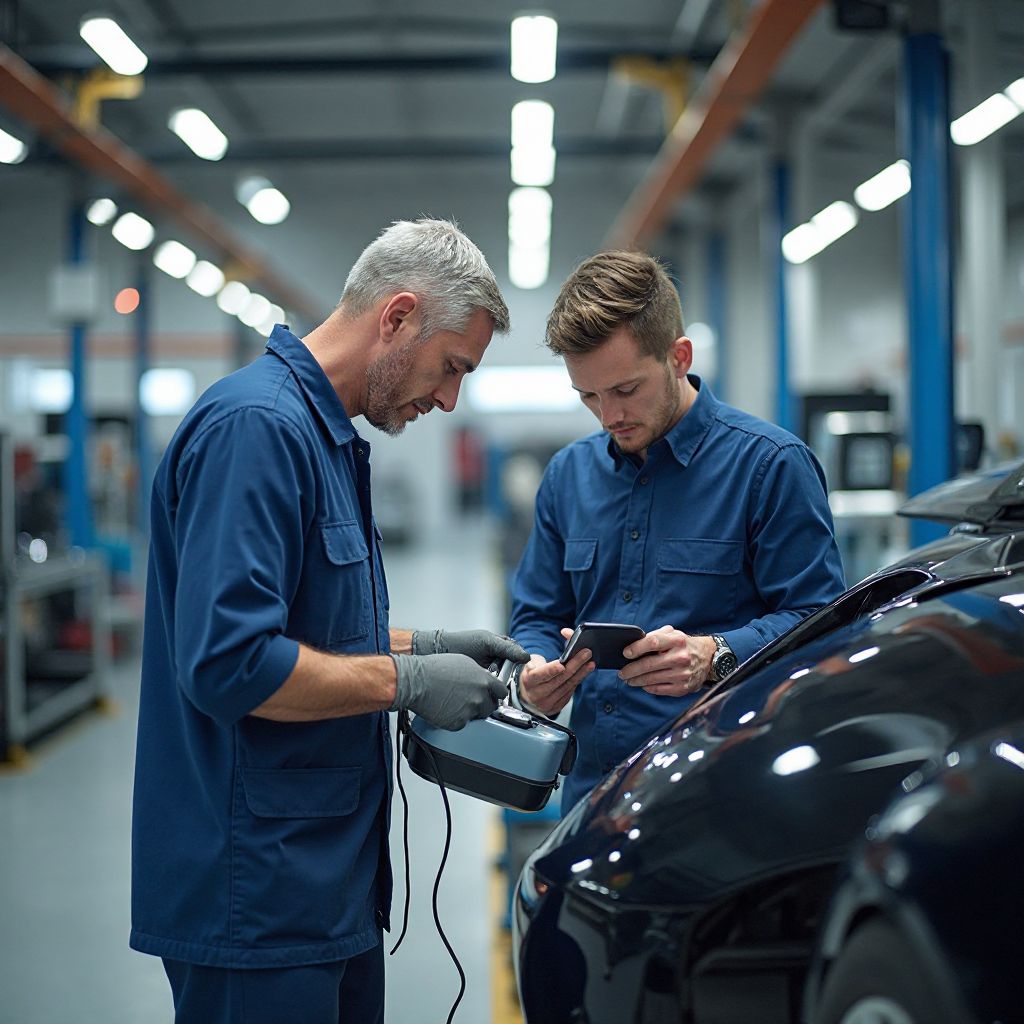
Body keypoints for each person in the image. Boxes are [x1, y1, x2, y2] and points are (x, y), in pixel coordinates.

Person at [130, 218, 528, 1024]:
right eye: (451, 367)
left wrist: (432, 645)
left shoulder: (325, 440)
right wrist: (410, 680)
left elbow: (313, 628)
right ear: (398, 316)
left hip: (325, 886)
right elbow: (231, 663)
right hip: (256, 897)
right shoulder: (258, 431)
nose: (449, 399)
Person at [508, 250, 845, 813]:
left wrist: (717, 654)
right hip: (595, 794)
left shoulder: (770, 466)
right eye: (588, 396)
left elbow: (822, 621)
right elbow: (538, 613)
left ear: (679, 356)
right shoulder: (568, 475)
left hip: (725, 793)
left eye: (625, 389)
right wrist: (534, 669)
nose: (608, 415)